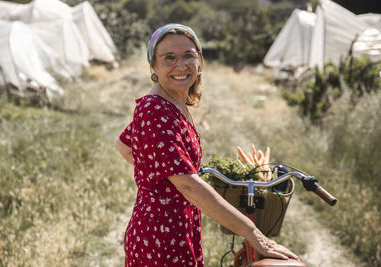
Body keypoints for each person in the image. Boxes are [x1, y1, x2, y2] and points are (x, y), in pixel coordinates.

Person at [116, 23, 298, 267]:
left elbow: (125, 144)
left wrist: (161, 172)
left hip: (179, 228)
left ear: (199, 60)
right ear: (154, 65)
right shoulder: (154, 108)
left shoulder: (172, 102)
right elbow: (188, 186)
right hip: (159, 238)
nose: (181, 66)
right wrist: (252, 233)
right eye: (169, 57)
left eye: (188, 56)